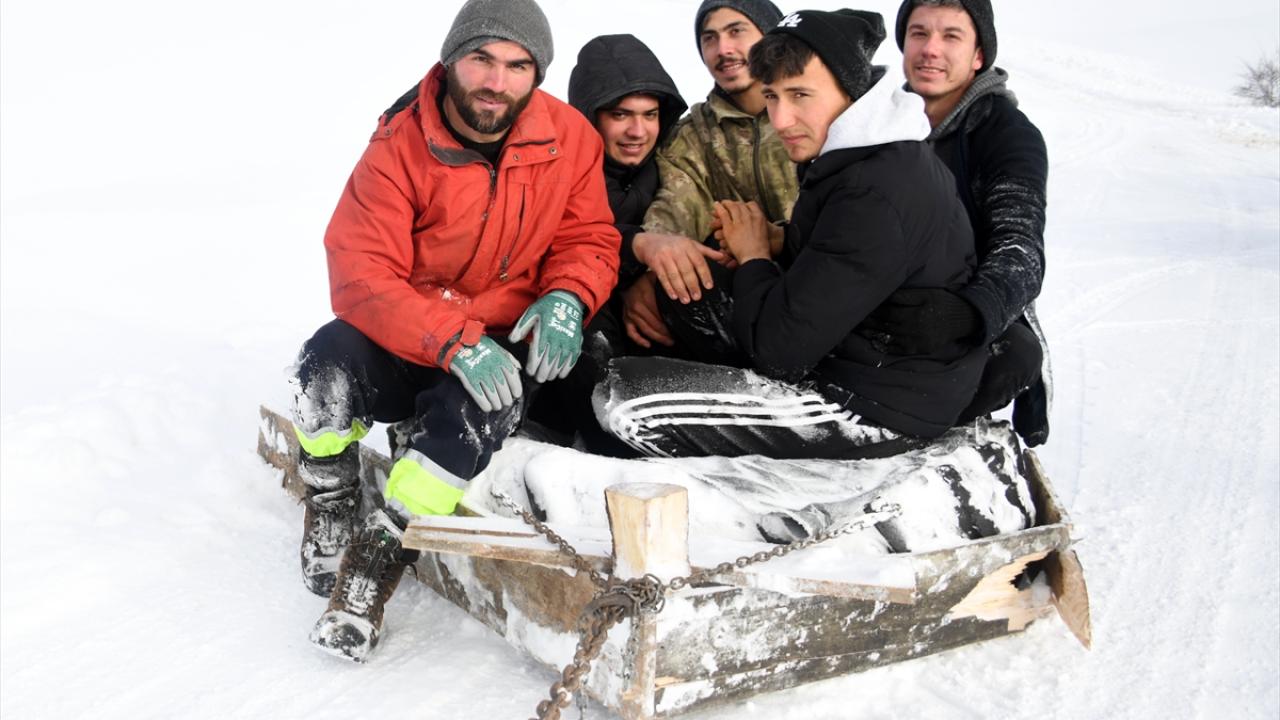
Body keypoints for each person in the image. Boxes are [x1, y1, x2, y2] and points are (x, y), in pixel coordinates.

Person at [289, 0, 620, 662]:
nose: (497, 81)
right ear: (451, 60)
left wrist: (567, 295)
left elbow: (589, 237)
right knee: (320, 368)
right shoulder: (397, 147)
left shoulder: (571, 138)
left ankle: (384, 543)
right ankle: (330, 495)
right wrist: (448, 338)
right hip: (412, 330)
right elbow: (360, 271)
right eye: (482, 59)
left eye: (518, 66)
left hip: (500, 339)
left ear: (537, 74)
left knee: (478, 416)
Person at [596, 9, 985, 461]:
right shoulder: (856, 154)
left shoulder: (872, 188)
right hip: (856, 361)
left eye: (800, 95)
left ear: (851, 88)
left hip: (872, 405)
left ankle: (764, 498)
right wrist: (779, 241)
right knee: (686, 295)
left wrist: (755, 254)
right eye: (773, 98)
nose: (781, 119)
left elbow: (778, 353)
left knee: (623, 405)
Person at [859, 0, 1051, 445]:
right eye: (919, 33)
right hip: (870, 303)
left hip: (953, 312)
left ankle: (912, 433)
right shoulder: (870, 120)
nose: (930, 50)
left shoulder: (1007, 134)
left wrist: (968, 313)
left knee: (1016, 353)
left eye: (951, 36)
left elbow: (1019, 247)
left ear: (979, 55)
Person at [521, 34, 686, 454]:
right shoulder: (554, 168)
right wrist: (635, 250)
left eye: (650, 114)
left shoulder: (674, 164)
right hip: (574, 312)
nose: (638, 130)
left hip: (649, 319)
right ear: (590, 116)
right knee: (583, 346)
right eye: (620, 114)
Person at [620, 0, 797, 355]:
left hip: (821, 270)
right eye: (710, 38)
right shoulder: (694, 134)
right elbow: (675, 207)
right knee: (679, 285)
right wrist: (652, 273)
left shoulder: (813, 111)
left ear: (770, 36)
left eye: (736, 32)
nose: (724, 49)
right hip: (745, 289)